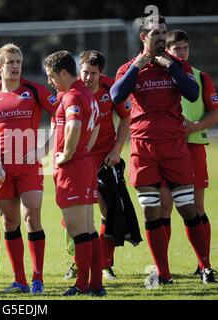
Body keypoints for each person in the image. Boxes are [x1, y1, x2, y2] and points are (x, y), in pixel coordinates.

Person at [111, 15, 213, 287]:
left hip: (174, 146)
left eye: (163, 33)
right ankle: (164, 274)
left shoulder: (177, 65)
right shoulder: (129, 67)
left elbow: (192, 92)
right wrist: (137, 66)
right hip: (143, 149)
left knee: (188, 208)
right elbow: (116, 95)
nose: (161, 37)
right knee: (151, 212)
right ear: (144, 37)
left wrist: (171, 67)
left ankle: (205, 266)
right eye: (155, 33)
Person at [0, 43, 58, 294]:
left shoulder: (34, 90)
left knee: (31, 216)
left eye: (18, 62)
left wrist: (46, 147)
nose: (15, 66)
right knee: (9, 222)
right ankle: (20, 280)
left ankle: (38, 279)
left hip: (29, 166)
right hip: (0, 170)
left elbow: (61, 115)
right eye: (10, 62)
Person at [62, 50, 132, 281]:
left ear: (101, 73)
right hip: (78, 157)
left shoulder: (111, 89)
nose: (88, 77)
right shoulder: (71, 90)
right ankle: (77, 262)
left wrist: (116, 149)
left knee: (108, 210)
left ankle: (104, 264)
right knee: (75, 214)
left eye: (93, 73)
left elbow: (125, 117)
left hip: (104, 157)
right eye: (85, 72)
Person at [44, 50, 105, 296]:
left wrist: (66, 154)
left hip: (73, 168)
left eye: (51, 76)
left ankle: (82, 285)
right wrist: (83, 151)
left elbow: (74, 126)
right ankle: (96, 286)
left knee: (76, 228)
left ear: (63, 73)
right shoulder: (87, 94)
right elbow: (97, 125)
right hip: (85, 164)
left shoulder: (71, 97)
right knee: (88, 229)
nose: (50, 81)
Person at [160, 29, 218, 279]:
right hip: (164, 150)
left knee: (196, 207)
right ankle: (162, 268)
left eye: (184, 48)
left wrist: (194, 127)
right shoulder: (159, 78)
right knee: (163, 208)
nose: (181, 53)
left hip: (193, 149)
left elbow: (215, 112)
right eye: (176, 49)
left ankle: (203, 264)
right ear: (167, 52)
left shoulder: (200, 77)